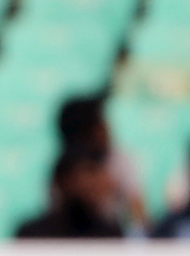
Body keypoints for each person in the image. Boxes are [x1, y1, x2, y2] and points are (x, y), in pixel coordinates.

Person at [56, 94, 146, 229]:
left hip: (111, 240)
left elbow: (139, 217)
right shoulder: (62, 168)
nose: (106, 127)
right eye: (99, 122)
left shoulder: (119, 159)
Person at [15, 147, 124, 240]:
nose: (100, 182)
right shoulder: (33, 233)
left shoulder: (110, 233)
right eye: (90, 171)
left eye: (100, 173)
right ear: (63, 180)